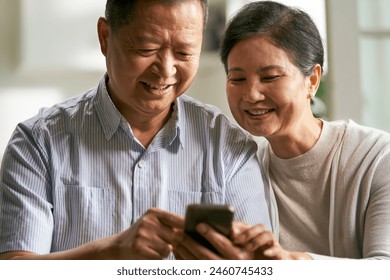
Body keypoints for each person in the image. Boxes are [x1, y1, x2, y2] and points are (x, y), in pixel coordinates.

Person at [0, 0, 271, 260]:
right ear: (105, 37)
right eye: (146, 48)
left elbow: (260, 266)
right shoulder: (38, 142)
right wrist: (111, 252)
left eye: (184, 53)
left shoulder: (229, 147)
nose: (166, 70)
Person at [174, 0, 390, 260]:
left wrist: (292, 262)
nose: (251, 95)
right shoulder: (241, 168)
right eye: (238, 79)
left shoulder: (377, 158)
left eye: (270, 77)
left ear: (311, 81)